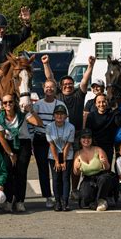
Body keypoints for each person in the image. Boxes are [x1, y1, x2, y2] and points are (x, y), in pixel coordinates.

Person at [47, 55, 95, 198]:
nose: (67, 86)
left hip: (77, 135)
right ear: (60, 87)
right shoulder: (58, 96)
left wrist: (90, 66)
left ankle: (74, 190)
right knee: (61, 164)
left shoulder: (78, 95)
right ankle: (62, 192)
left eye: (70, 84)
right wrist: (46, 63)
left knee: (75, 164)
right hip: (60, 137)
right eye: (65, 84)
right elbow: (50, 79)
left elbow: (85, 81)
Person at [0, 94, 42, 212]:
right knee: (8, 171)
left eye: (10, 102)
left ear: (15, 102)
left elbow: (39, 123)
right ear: (2, 105)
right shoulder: (0, 118)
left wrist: (31, 110)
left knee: (21, 172)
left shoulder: (22, 114)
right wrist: (11, 154)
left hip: (23, 143)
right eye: (5, 103)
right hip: (8, 144)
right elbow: (1, 138)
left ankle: (20, 201)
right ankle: (8, 200)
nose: (8, 105)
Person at [32, 55, 68, 209]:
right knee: (42, 170)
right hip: (40, 140)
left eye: (52, 87)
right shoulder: (38, 105)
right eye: (46, 87)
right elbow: (31, 124)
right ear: (43, 89)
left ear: (55, 89)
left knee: (57, 169)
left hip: (57, 141)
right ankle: (48, 196)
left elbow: (65, 124)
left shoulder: (60, 104)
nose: (49, 89)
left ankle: (59, 196)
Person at [73, 129, 114, 211]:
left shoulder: (98, 150)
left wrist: (105, 163)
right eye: (83, 138)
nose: (86, 140)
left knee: (104, 179)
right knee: (85, 199)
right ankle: (94, 202)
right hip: (88, 178)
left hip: (100, 176)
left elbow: (107, 168)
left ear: (92, 139)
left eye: (89, 138)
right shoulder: (77, 154)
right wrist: (77, 168)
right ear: (80, 140)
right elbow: (76, 173)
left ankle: (101, 200)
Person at [46, 105, 75, 211]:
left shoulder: (71, 127)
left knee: (65, 178)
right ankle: (57, 201)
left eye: (62, 114)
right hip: (53, 155)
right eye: (57, 114)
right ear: (54, 116)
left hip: (67, 154)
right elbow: (52, 144)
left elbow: (68, 144)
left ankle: (65, 201)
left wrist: (63, 160)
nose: (59, 116)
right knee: (56, 178)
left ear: (66, 116)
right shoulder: (49, 127)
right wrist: (58, 161)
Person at [85, 94, 121, 164]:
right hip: (94, 146)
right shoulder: (91, 116)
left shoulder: (112, 114)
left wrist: (116, 110)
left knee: (106, 170)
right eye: (99, 102)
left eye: (103, 101)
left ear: (107, 103)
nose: (101, 104)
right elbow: (88, 132)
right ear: (95, 104)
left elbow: (119, 123)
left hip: (108, 147)